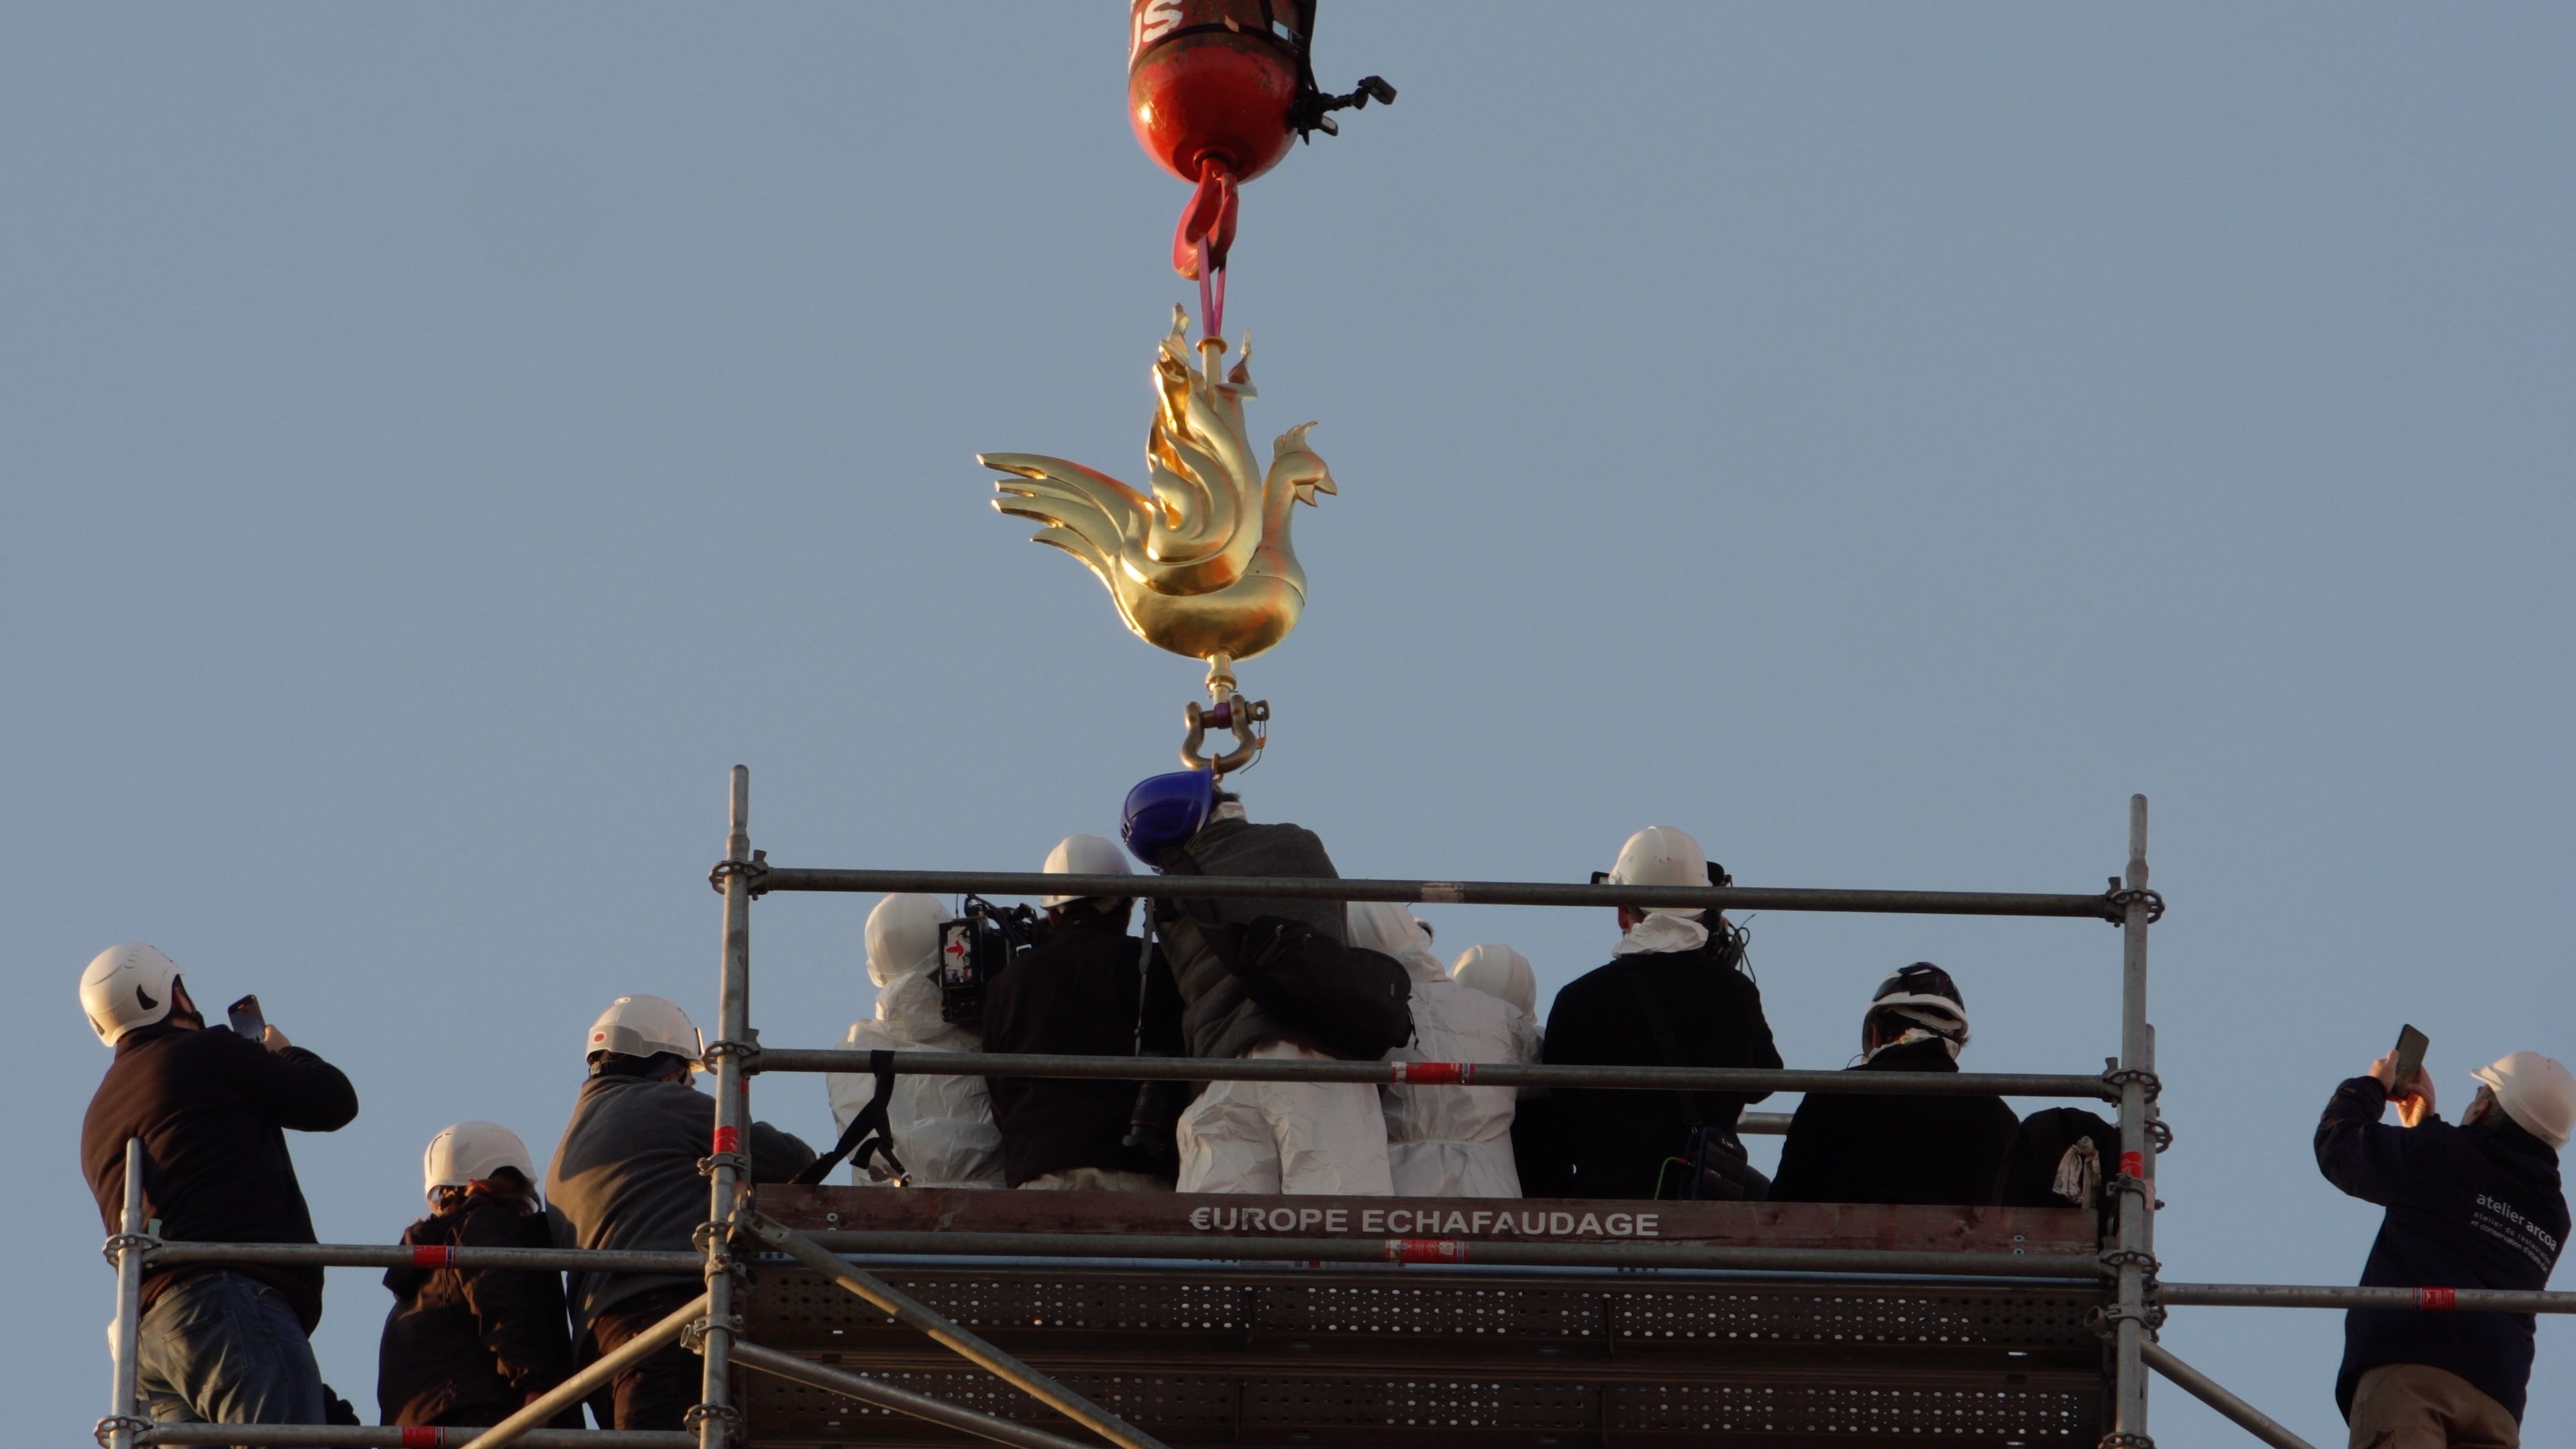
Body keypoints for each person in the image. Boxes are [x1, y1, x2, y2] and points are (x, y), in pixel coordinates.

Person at [78, 942, 360, 1437]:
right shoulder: (206, 1051)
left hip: (151, 1337)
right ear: (167, 996)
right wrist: (280, 1050)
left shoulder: (99, 1113)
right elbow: (332, 1101)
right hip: (230, 1300)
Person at [547, 995, 814, 1432]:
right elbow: (788, 1159)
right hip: (665, 1325)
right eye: (686, 1078)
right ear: (667, 1066)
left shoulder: (564, 1157)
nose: (687, 1087)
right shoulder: (663, 1103)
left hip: (603, 1352)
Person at [1124, 770, 1398, 1195]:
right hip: (1310, 1054)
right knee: (1340, 1216)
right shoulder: (1295, 844)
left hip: (1219, 1075)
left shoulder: (1169, 899)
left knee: (1220, 1235)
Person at [2316, 1046, 2570, 1448]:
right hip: (2497, 1400)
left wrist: (2372, 1087)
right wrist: (2426, 1128)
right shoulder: (2554, 1215)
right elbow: (2463, 1204)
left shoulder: (2439, 1153)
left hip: (2413, 1372)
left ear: (2484, 1110)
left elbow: (2340, 1145)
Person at [1540, 827, 1781, 1199]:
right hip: (1704, 1198)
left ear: (1623, 912)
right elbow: (1763, 1082)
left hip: (1608, 1201)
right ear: (1704, 912)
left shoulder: (1581, 998)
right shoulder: (1735, 992)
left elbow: (1556, 1119)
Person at [981, 835, 1185, 1190]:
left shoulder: (1007, 983)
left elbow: (999, 1093)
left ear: (1052, 914)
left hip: (1040, 1172)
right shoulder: (1153, 966)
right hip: (1137, 1171)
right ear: (1126, 907)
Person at [378, 1122, 578, 1430]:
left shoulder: (422, 1278)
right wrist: (531, 1383)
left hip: (426, 1425)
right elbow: (494, 1297)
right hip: (483, 1413)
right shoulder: (486, 1222)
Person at [1769, 964, 2019, 1205]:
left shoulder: (1831, 1094)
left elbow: (1781, 1207)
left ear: (1877, 1033)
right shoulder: (1999, 1118)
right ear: (1955, 1048)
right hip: (1958, 1249)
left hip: (1841, 1247)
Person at [824, 894, 1008, 1188]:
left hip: (886, 1220)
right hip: (995, 1213)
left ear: (876, 972)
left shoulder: (853, 1048)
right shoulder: (990, 1034)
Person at [1350, 904, 1523, 1197]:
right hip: (1491, 1183)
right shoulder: (1502, 1015)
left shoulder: (1362, 1017)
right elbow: (1546, 1078)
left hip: (1401, 1181)